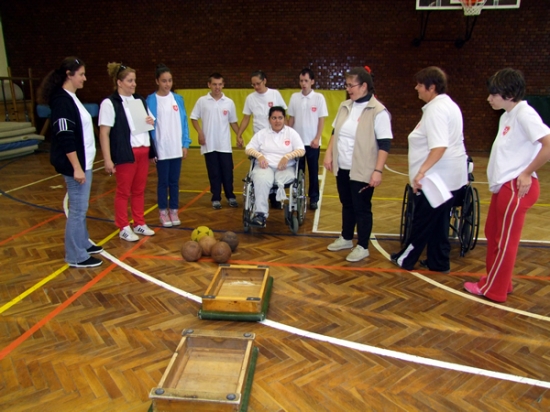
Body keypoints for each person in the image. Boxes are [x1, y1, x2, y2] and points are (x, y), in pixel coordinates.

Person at [464, 68, 550, 302]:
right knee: (493, 233)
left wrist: (527, 172)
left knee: (505, 241)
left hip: (516, 187)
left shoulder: (525, 113)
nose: (488, 99)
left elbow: (548, 144)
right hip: (504, 187)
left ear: (509, 94)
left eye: (493, 94)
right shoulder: (507, 116)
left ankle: (494, 290)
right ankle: (500, 280)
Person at [391, 66, 468, 272]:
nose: (416, 88)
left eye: (419, 85)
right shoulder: (448, 105)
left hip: (437, 178)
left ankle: (406, 259)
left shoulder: (436, 110)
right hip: (448, 177)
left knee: (422, 221)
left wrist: (421, 172)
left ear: (431, 87)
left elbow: (439, 146)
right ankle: (438, 261)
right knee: (438, 222)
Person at [323, 67, 392, 262]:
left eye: (351, 85)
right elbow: (335, 132)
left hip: (363, 169)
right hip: (343, 166)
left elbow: (385, 144)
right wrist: (328, 154)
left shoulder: (378, 111)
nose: (348, 89)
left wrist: (378, 170)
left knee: (361, 207)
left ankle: (362, 246)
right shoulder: (345, 106)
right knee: (347, 203)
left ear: (364, 86)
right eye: (346, 85)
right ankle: (346, 238)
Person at [39, 57, 103, 268]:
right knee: (77, 209)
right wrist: (76, 167)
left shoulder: (72, 98)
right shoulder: (61, 101)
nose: (85, 78)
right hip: (76, 166)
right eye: (81, 74)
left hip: (85, 163)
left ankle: (83, 242)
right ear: (69, 74)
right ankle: (75, 255)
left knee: (81, 207)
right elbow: (65, 136)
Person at [99, 62, 157, 242]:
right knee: (123, 192)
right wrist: (108, 159)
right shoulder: (110, 103)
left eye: (134, 80)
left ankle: (139, 222)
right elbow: (104, 133)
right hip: (126, 153)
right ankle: (123, 227)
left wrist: (150, 121)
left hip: (143, 150)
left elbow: (149, 123)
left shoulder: (139, 100)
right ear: (119, 82)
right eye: (130, 81)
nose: (134, 84)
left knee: (139, 190)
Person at [245, 106, 305, 226]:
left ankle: (288, 208)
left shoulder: (291, 133)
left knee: (280, 180)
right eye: (274, 118)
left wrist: (287, 156)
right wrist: (259, 156)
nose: (277, 121)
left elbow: (301, 150)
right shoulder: (262, 134)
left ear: (284, 119)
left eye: (280, 118)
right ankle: (260, 214)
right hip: (265, 166)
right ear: (269, 119)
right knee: (261, 180)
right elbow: (248, 149)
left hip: (286, 167)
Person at [146, 64, 190, 226]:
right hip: (161, 149)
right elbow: (148, 127)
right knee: (163, 182)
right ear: (157, 81)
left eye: (170, 80)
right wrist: (152, 150)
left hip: (176, 148)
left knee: (174, 182)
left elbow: (184, 122)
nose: (167, 84)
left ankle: (174, 211)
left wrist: (185, 144)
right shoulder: (151, 100)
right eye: (164, 81)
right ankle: (163, 212)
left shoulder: (178, 99)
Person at [190, 73, 240, 210]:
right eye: (214, 84)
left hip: (224, 145)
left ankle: (230, 196)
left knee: (228, 172)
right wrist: (200, 132)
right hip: (209, 144)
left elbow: (233, 122)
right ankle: (216, 198)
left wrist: (239, 135)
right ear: (209, 85)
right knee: (214, 173)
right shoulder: (202, 101)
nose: (217, 87)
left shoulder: (229, 102)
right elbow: (194, 118)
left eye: (219, 84)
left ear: (223, 85)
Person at [288, 68, 329, 211]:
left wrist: (317, 138)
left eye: (306, 81)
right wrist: (287, 137)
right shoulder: (294, 97)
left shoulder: (318, 98)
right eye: (301, 81)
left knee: (313, 172)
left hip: (312, 143)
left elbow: (321, 120)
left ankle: (314, 198)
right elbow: (291, 119)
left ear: (312, 81)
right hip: (297, 144)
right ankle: (297, 197)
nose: (303, 84)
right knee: (297, 172)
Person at [236, 70, 287, 147]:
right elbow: (246, 118)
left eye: (258, 83)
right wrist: (239, 135)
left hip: (275, 134)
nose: (256, 87)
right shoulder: (250, 98)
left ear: (264, 81)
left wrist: (288, 133)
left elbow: (284, 116)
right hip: (258, 135)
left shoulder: (275, 94)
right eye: (253, 85)